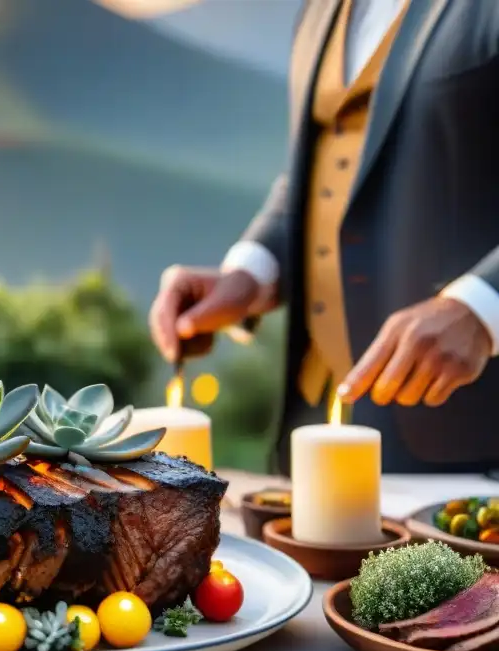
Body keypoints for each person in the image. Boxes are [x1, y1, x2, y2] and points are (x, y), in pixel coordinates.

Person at [149, 0, 499, 475]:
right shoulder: (318, 10)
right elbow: (322, 168)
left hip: (464, 446)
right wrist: (252, 272)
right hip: (311, 427)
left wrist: (482, 308)